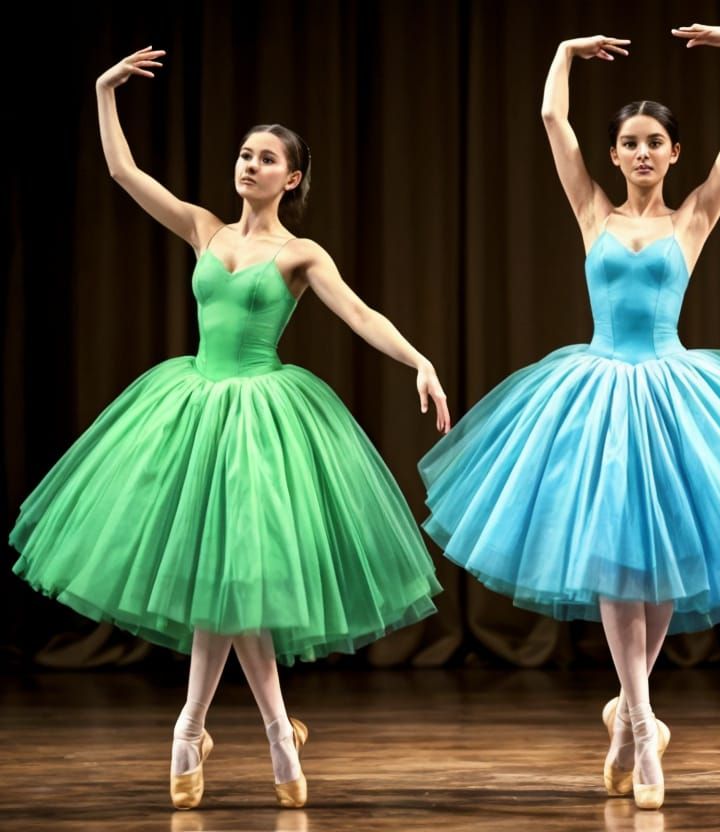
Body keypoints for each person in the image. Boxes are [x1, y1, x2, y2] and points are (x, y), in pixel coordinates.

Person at [419, 26, 720, 810]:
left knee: (660, 558)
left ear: (674, 154)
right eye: (630, 142)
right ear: (616, 155)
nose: (641, 152)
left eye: (655, 142)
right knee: (611, 555)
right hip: (596, 386)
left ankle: (631, 713)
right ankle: (640, 722)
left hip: (673, 387)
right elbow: (551, 125)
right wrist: (562, 54)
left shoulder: (694, 216)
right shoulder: (593, 212)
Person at [10, 47, 452, 810]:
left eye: (268, 158)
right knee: (224, 584)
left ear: (293, 178)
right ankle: (266, 730)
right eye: (246, 154)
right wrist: (104, 90)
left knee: (236, 581)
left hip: (260, 418)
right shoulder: (205, 229)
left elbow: (359, 314)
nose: (250, 165)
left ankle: (197, 728)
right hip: (190, 406)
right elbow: (124, 174)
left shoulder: (299, 252)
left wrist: (418, 360)